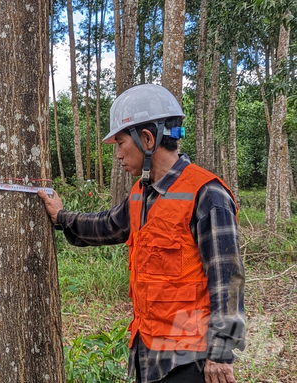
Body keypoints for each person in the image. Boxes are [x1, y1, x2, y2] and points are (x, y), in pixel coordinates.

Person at [38, 84, 245, 383]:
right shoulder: (141, 194)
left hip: (191, 360)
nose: (118, 154)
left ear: (147, 139)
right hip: (147, 352)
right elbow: (107, 225)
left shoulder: (207, 194)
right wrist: (61, 217)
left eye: (121, 143)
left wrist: (222, 353)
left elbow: (229, 280)